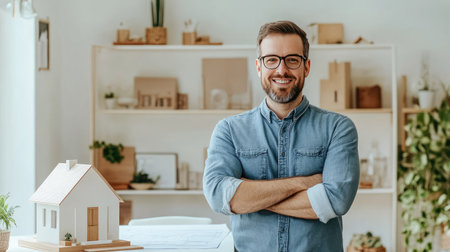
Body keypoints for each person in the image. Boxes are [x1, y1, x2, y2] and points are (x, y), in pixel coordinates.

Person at [203, 20, 360, 251]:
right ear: (259, 67)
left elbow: (335, 201)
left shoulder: (338, 128)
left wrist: (249, 197)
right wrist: (304, 184)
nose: (281, 70)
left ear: (306, 67)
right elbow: (218, 196)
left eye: (292, 60)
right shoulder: (229, 130)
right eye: (271, 59)